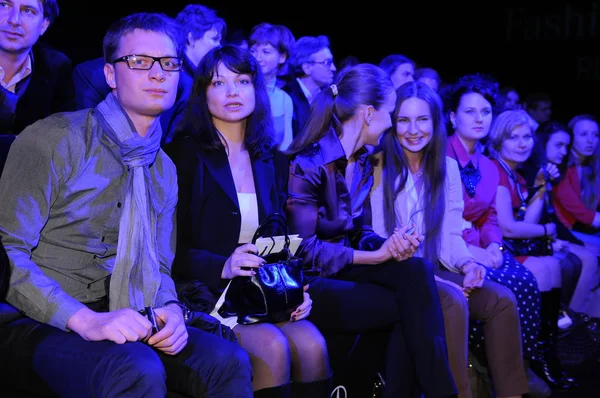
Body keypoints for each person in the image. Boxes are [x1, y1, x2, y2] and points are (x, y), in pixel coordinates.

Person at [0, 13, 252, 397]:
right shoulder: (54, 139)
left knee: (226, 360)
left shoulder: (164, 168)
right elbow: (7, 252)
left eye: (169, 63)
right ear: (111, 75)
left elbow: (160, 265)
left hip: (129, 311)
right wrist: (83, 320)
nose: (158, 74)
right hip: (38, 317)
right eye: (139, 61)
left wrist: (168, 310)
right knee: (137, 367)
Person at [166, 44, 331, 398]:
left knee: (313, 344)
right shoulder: (183, 155)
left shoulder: (270, 158)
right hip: (204, 291)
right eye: (219, 83)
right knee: (273, 346)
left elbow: (280, 240)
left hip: (261, 293)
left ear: (256, 89)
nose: (232, 93)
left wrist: (295, 288)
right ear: (202, 92)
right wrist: (223, 265)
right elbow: (167, 248)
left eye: (242, 82)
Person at [285, 64, 457, 398]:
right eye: (391, 113)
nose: (393, 123)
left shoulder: (363, 160)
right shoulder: (309, 162)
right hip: (311, 281)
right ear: (368, 114)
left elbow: (359, 231)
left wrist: (388, 245)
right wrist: (375, 255)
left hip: (345, 266)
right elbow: (302, 251)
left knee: (416, 269)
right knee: (411, 306)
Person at [370, 81, 527, 398]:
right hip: (395, 272)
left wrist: (468, 263)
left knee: (502, 300)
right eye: (404, 120)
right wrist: (438, 282)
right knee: (454, 301)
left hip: (432, 268)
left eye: (422, 120)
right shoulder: (378, 166)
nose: (414, 130)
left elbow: (450, 236)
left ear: (435, 122)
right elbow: (378, 239)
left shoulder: (446, 167)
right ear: (392, 122)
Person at [0, 0, 74, 135]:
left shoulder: (57, 67)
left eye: (28, 11)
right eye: (3, 5)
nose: (14, 20)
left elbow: (62, 138)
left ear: (44, 25)